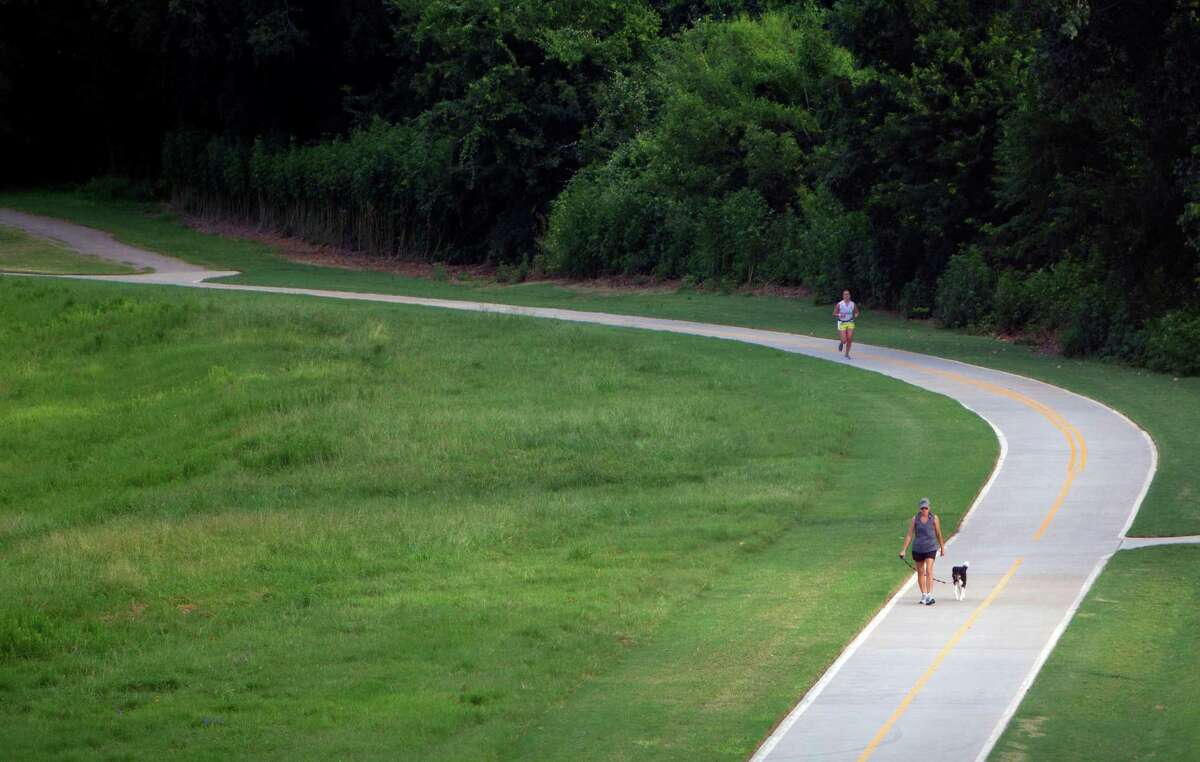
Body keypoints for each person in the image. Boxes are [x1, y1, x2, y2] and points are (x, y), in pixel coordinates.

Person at [899, 497, 946, 605]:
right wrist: (904, 550)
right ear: (920, 508)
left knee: (929, 570)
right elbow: (909, 535)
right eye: (922, 508)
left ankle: (929, 594)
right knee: (920, 571)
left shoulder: (934, 518)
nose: (924, 510)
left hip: (931, 547)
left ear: (929, 508)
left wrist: (942, 547)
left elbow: (938, 533)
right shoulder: (915, 519)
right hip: (918, 548)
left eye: (926, 508)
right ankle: (924, 594)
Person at [832, 289, 860, 359]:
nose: (846, 295)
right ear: (843, 296)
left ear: (850, 296)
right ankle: (842, 342)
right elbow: (834, 313)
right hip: (842, 323)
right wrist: (839, 315)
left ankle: (847, 354)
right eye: (845, 294)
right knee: (844, 340)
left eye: (848, 294)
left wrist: (856, 315)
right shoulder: (839, 304)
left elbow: (857, 312)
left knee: (850, 338)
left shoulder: (852, 304)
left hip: (850, 322)